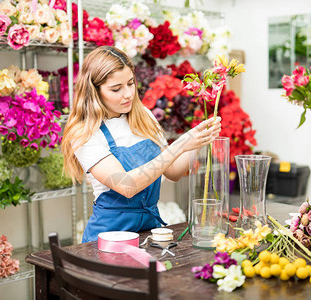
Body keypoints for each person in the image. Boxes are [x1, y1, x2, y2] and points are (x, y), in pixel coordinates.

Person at [62, 46, 221, 243]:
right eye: (116, 89)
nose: (128, 94)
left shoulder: (142, 115)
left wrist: (198, 140)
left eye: (130, 83)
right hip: (109, 239)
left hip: (149, 232)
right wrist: (179, 145)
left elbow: (173, 172)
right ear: (94, 91)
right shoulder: (84, 133)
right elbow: (127, 185)